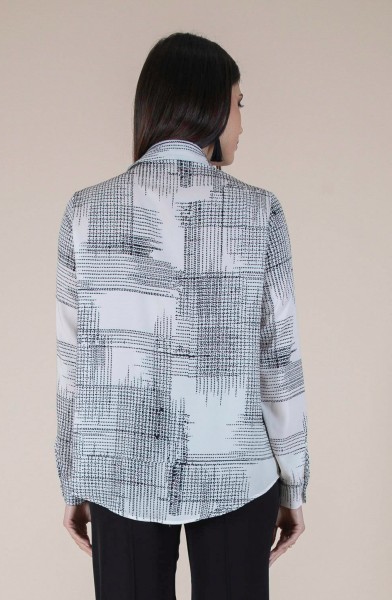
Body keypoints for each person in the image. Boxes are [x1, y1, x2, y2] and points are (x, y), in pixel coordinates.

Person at [55, 31, 310, 599]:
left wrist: (74, 477)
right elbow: (278, 361)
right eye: (239, 104)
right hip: (237, 473)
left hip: (119, 474)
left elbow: (75, 364)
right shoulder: (259, 211)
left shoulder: (85, 211)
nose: (242, 123)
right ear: (209, 106)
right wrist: (293, 481)